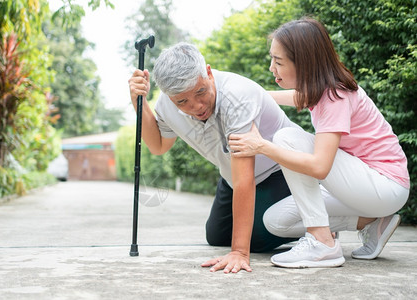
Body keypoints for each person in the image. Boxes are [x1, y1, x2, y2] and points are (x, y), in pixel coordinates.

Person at [228, 17, 410, 268]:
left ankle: (322, 243)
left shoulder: (335, 95)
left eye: (278, 61)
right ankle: (370, 222)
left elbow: (320, 167)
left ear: (304, 63)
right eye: (272, 59)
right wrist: (253, 95)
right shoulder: (319, 89)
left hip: (384, 184)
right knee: (276, 221)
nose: (272, 68)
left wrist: (261, 146)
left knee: (286, 139)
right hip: (363, 186)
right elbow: (296, 97)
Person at [128, 42, 302, 273]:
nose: (196, 106)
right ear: (169, 97)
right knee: (217, 236)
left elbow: (244, 180)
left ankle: (320, 218)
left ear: (208, 73)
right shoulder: (167, 105)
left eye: (200, 92)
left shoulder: (236, 96)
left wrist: (240, 253)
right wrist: (138, 102)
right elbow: (158, 146)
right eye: (182, 101)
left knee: (255, 241)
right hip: (232, 176)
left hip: (281, 170)